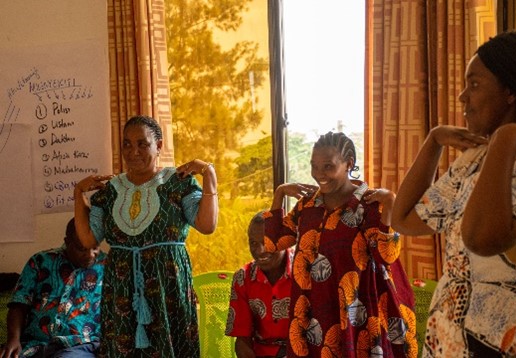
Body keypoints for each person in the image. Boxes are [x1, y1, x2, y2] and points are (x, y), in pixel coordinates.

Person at [392, 31, 516, 357]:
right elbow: (402, 219)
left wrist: (508, 137)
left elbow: (481, 239)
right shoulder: (472, 161)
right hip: (449, 336)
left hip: (504, 338)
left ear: (511, 91)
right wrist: (434, 142)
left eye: (474, 85)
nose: (461, 97)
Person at [73, 115, 218, 357]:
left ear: (159, 146)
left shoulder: (178, 183)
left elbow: (206, 225)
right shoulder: (109, 192)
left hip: (168, 287)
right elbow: (88, 239)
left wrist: (209, 173)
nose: (134, 152)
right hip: (122, 291)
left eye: (143, 144)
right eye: (127, 144)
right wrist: (79, 193)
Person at [263, 131, 417, 357]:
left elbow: (387, 256)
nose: (318, 174)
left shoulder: (369, 204)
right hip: (313, 311)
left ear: (349, 164)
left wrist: (391, 203)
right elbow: (274, 242)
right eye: (314, 166)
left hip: (357, 316)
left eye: (327, 166)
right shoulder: (307, 206)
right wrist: (280, 193)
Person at [0, 218, 106, 358]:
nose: (90, 254)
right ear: (67, 242)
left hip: (79, 346)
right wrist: (13, 340)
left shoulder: (107, 268)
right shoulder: (40, 261)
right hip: (35, 343)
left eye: (95, 247)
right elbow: (19, 305)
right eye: (82, 249)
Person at [225, 212, 293, 358]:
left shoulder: (305, 271)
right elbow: (243, 339)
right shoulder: (243, 278)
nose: (260, 251)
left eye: (266, 242)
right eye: (253, 243)